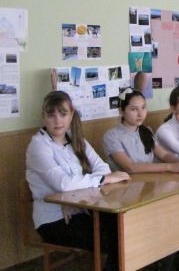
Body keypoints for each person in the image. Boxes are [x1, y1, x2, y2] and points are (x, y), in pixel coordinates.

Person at [26, 91, 130, 271]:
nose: (58, 121)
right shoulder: (38, 146)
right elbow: (64, 184)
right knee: (113, 239)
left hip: (79, 210)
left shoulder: (76, 139)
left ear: (71, 114)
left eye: (63, 114)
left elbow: (103, 167)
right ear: (43, 116)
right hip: (53, 220)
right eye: (51, 115)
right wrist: (99, 180)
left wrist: (70, 197)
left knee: (122, 226)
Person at [103, 89, 179, 270]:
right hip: (126, 197)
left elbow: (163, 155)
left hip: (149, 192)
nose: (140, 113)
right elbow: (130, 167)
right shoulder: (112, 135)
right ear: (121, 111)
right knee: (169, 224)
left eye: (143, 108)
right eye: (134, 109)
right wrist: (170, 167)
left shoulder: (146, 131)